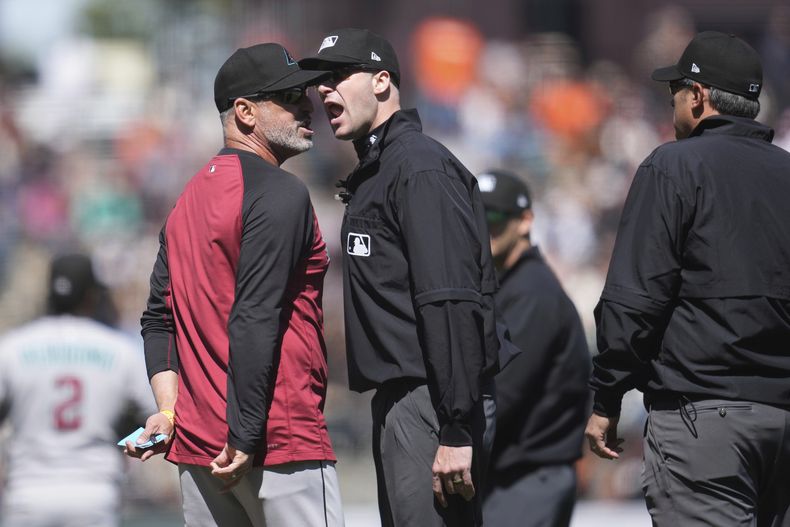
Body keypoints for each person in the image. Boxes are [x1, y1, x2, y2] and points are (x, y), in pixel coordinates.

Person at [129, 43, 344, 526]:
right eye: (288, 97)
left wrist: (168, 411)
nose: (306, 106)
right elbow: (254, 314)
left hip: (199, 450)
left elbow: (158, 321)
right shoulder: (279, 191)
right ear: (245, 112)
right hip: (276, 440)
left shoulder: (187, 198)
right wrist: (245, 434)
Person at [585, 31, 790, 526]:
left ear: (697, 97)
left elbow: (634, 298)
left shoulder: (673, 166)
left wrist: (608, 396)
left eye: (674, 92)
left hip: (704, 418)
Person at [300, 28, 500, 527]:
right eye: (322, 81)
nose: (326, 90)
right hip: (404, 401)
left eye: (341, 75)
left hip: (430, 401)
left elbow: (449, 299)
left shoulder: (418, 168)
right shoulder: (381, 169)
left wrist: (454, 427)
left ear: (383, 81)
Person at [0, 253, 156, 527]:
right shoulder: (119, 348)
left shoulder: (12, 347)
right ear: (92, 295)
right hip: (94, 490)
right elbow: (158, 420)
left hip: (28, 491)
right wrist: (124, 444)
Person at [476, 170, 589, 527]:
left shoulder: (532, 292)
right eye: (475, 217)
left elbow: (503, 393)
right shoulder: (509, 287)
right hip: (514, 478)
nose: (484, 228)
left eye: (494, 217)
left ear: (524, 221)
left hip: (528, 478)